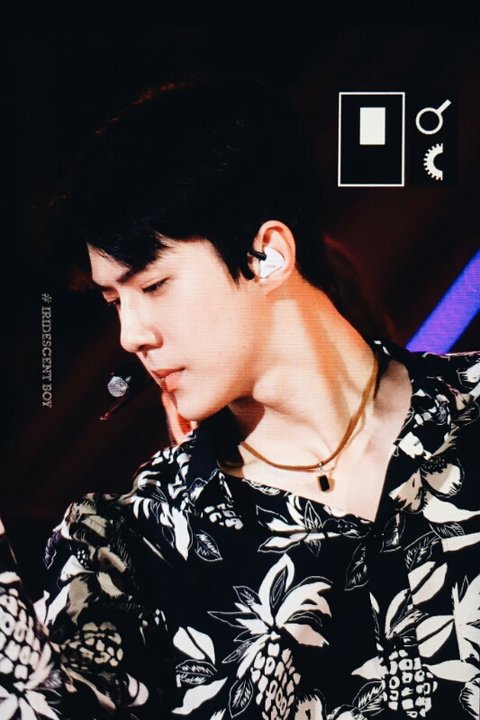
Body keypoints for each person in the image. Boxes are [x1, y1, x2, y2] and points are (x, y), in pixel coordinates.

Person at [1, 76, 479, 720]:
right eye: (115, 301)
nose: (131, 335)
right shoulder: (135, 553)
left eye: (154, 285)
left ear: (267, 255)